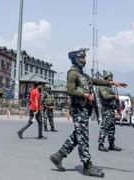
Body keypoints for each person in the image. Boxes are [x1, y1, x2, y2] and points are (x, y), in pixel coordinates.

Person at [49, 48, 127, 177]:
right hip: (78, 109)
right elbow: (70, 90)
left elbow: (95, 81)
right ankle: (87, 166)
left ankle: (58, 156)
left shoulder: (82, 74)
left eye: (84, 58)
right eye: (81, 58)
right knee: (83, 137)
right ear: (74, 59)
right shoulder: (72, 73)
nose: (84, 60)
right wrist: (86, 95)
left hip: (85, 110)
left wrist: (112, 82)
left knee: (78, 135)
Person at [97, 71, 122, 152]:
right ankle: (101, 144)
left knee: (111, 128)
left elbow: (114, 99)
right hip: (106, 109)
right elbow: (105, 96)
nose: (112, 78)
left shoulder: (109, 86)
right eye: (111, 76)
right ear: (106, 77)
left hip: (111, 109)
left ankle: (111, 144)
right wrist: (114, 96)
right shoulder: (102, 85)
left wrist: (118, 108)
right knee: (104, 127)